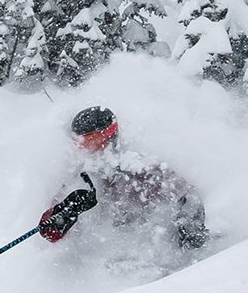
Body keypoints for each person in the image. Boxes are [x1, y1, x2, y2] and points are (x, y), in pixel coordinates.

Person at [39, 106, 208, 252]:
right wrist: (66, 212)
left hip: (150, 248)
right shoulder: (80, 177)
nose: (87, 148)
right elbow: (48, 233)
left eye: (92, 140)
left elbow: (188, 194)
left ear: (109, 134)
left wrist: (190, 227)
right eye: (79, 142)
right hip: (106, 256)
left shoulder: (140, 167)